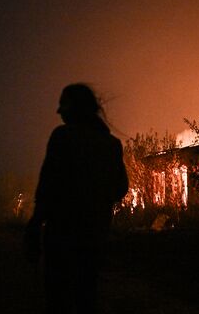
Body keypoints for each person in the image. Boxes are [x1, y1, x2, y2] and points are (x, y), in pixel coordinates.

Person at [25, 83, 129, 314]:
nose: (59, 111)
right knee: (86, 294)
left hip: (61, 234)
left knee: (58, 296)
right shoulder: (111, 144)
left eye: (63, 104)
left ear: (75, 107)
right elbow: (120, 187)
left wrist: (35, 224)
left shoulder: (62, 137)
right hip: (94, 235)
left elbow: (48, 185)